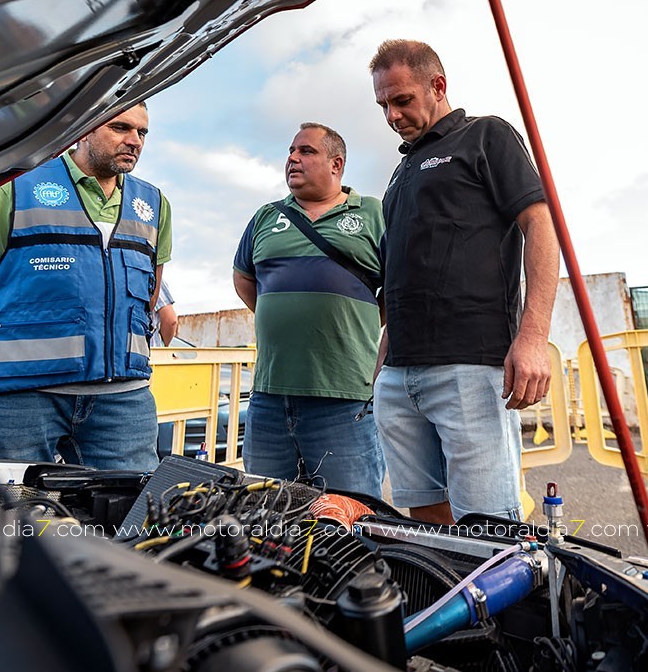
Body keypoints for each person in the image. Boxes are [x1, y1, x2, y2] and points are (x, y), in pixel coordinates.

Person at [368, 40, 559, 524]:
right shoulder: (400, 171)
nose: (392, 115)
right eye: (383, 105)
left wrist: (533, 335)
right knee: (425, 519)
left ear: (438, 85)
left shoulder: (486, 136)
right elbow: (401, 269)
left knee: (488, 527)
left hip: (469, 366)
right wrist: (385, 354)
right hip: (399, 372)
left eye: (402, 100)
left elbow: (540, 224)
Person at [0, 102, 171, 470]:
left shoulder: (154, 204)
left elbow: (149, 297)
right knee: (6, 515)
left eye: (142, 132)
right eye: (120, 128)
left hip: (122, 400)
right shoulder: (11, 186)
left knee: (130, 517)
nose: (134, 141)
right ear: (82, 129)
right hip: (18, 395)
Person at [232, 122, 385, 498]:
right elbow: (244, 280)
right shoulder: (267, 217)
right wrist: (285, 315)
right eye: (290, 151)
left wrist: (356, 321)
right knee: (264, 516)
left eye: (306, 151)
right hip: (269, 399)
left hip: (344, 398)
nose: (292, 158)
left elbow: (399, 291)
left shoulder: (372, 213)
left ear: (337, 164)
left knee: (351, 518)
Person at [150, 279, 177, 347]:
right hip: (151, 352)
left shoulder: (120, 278)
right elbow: (170, 321)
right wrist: (165, 346)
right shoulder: (151, 278)